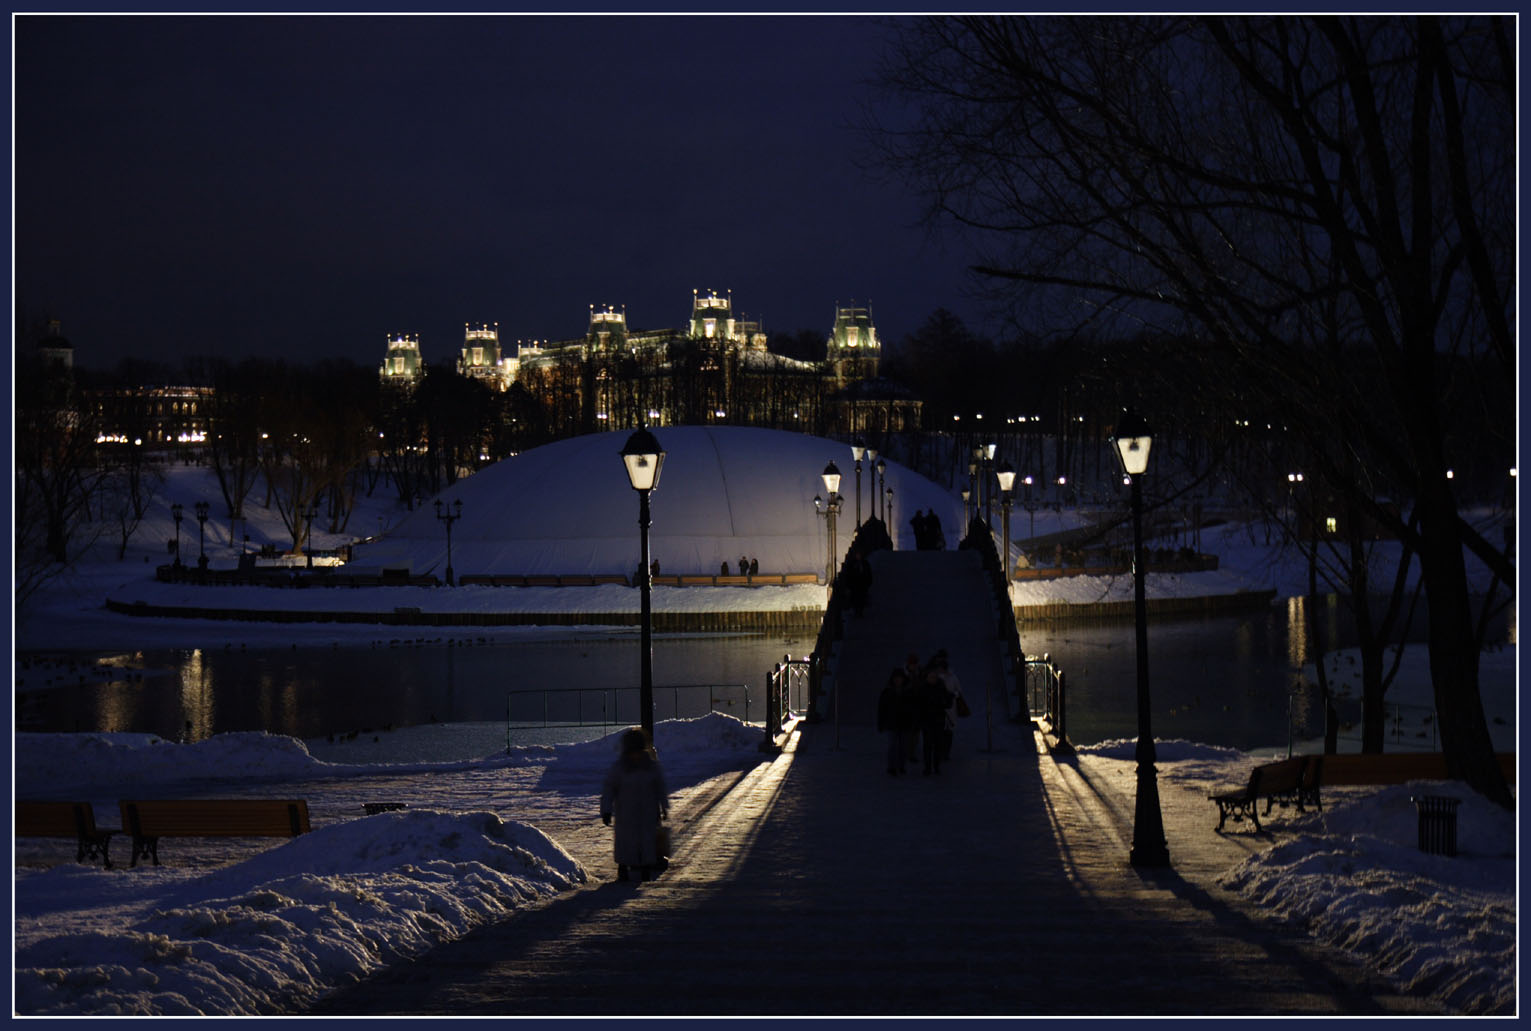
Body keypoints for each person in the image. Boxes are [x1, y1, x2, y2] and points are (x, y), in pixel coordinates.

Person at [599, 727, 670, 882]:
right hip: (626, 814)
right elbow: (609, 789)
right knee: (626, 841)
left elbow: (660, 786)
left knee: (646, 841)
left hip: (647, 812)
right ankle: (623, 866)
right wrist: (606, 810)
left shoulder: (651, 767)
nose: (635, 755)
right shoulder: (620, 768)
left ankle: (645, 866)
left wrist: (664, 806)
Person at [929, 649, 965, 761]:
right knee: (943, 731)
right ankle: (942, 752)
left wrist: (951, 695)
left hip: (948, 708)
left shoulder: (950, 677)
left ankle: (944, 752)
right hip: (942, 708)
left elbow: (959, 690)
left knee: (946, 731)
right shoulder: (938, 677)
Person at [917, 666, 953, 775]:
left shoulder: (941, 687)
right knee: (928, 745)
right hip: (927, 721)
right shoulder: (923, 688)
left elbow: (948, 704)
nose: (932, 678)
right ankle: (928, 767)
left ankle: (936, 766)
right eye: (931, 677)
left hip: (938, 720)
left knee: (937, 745)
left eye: (934, 677)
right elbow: (918, 705)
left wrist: (945, 700)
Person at [876, 668, 913, 776]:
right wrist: (881, 723)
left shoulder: (908, 692)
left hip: (904, 722)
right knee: (892, 746)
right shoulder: (887, 691)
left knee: (903, 747)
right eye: (896, 678)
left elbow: (912, 708)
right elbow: (882, 709)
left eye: (899, 678)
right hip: (892, 723)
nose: (898, 680)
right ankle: (891, 767)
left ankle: (901, 766)